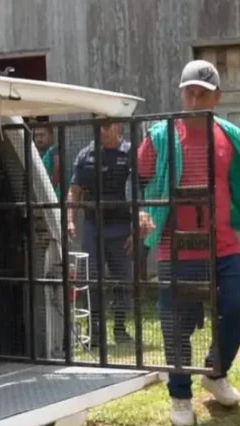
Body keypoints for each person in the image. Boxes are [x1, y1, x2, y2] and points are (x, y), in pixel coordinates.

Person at [135, 59, 240, 426]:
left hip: (224, 245)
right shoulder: (160, 135)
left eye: (203, 93)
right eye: (189, 92)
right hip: (175, 247)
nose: (195, 100)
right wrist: (142, 212)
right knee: (175, 324)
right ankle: (180, 396)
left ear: (217, 97)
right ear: (180, 93)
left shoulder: (228, 134)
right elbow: (136, 180)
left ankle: (215, 371)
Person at [68, 117, 134, 347]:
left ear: (119, 127)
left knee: (122, 281)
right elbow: (75, 191)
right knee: (92, 280)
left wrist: (138, 225)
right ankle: (95, 332)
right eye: (99, 126)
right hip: (93, 227)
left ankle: (120, 329)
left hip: (121, 228)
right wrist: (70, 221)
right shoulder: (87, 155)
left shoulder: (130, 153)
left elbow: (141, 189)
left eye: (106, 126)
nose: (102, 131)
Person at [33, 124, 62, 198]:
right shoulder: (42, 154)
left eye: (42, 135)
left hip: (56, 197)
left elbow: (58, 166)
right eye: (36, 136)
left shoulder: (54, 150)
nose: (39, 139)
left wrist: (51, 189)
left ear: (51, 136)